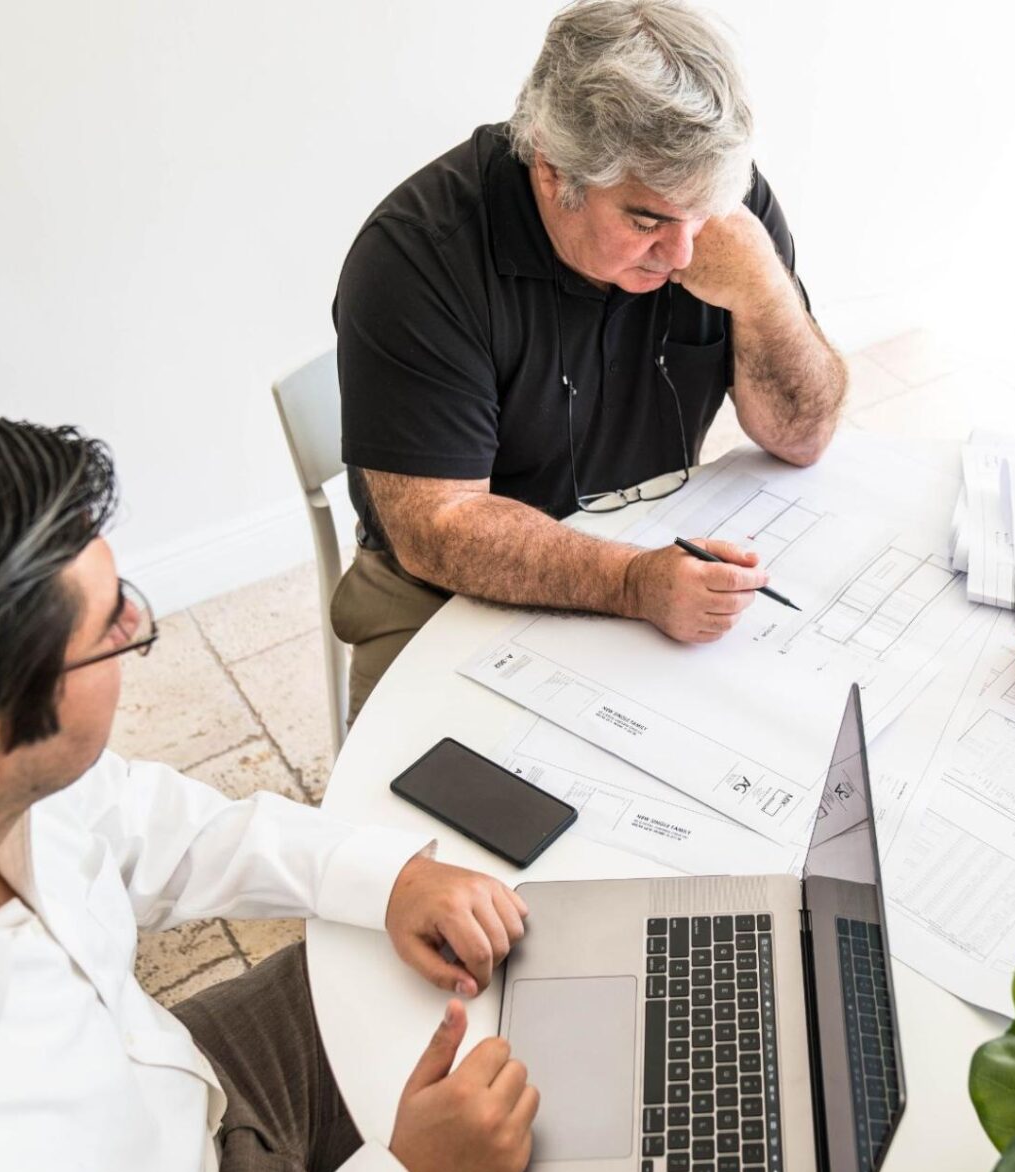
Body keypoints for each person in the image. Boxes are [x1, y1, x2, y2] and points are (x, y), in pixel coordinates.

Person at [0, 415, 545, 1172]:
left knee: (507, 980)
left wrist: (384, 879)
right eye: (109, 633)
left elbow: (143, 822)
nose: (142, 628)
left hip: (194, 1092)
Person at [331, 0, 847, 719]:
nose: (685, 254)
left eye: (703, 216)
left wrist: (765, 297)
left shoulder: (710, 202)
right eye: (647, 222)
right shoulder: (416, 256)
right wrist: (632, 583)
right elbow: (438, 530)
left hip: (650, 534)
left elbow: (802, 438)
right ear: (551, 171)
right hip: (445, 589)